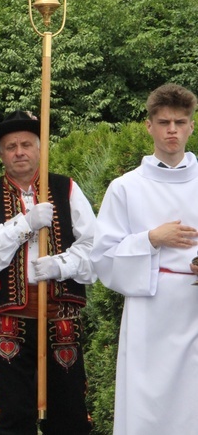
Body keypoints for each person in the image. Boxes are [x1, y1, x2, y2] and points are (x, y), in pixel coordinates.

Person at [0, 111, 96, 435]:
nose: (19, 152)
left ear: (40, 148)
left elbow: (95, 245)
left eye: (26, 144)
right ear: (0, 154)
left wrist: (61, 265)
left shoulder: (66, 188)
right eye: (11, 146)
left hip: (60, 315)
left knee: (70, 412)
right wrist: (25, 224)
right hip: (9, 320)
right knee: (12, 414)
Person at [90, 83, 198, 434]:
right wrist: (151, 239)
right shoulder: (125, 187)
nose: (172, 130)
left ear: (191, 126)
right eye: (164, 122)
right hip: (150, 312)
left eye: (180, 122)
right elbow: (103, 256)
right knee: (146, 404)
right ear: (149, 125)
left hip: (194, 306)